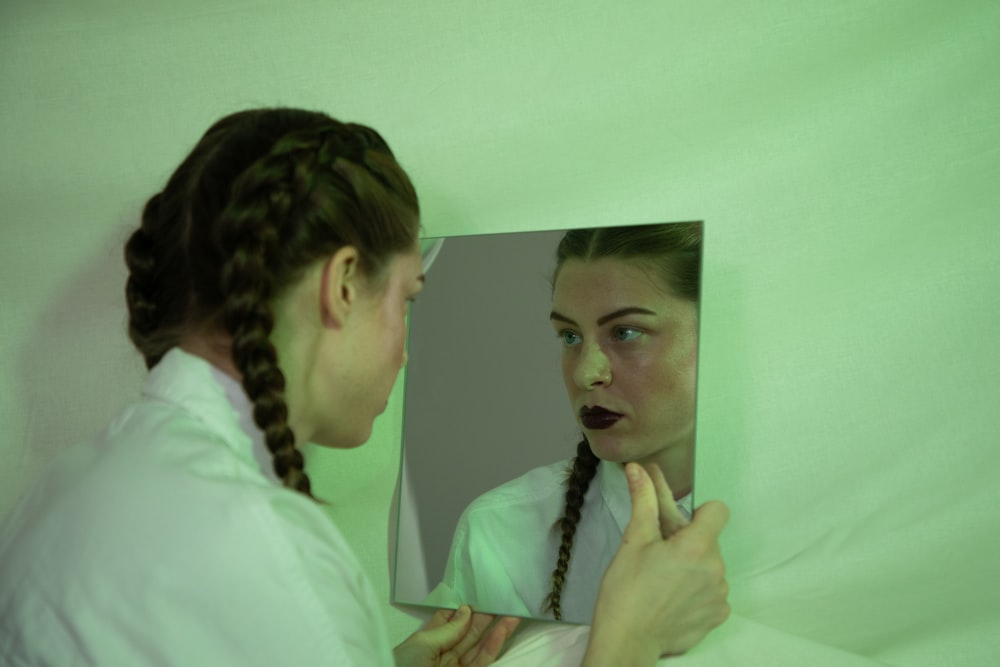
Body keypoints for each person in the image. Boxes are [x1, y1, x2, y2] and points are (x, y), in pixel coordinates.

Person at [0, 110, 727, 666]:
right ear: (343, 284)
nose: (408, 351)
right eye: (407, 300)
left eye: (627, 331)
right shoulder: (261, 550)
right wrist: (626, 642)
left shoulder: (62, 487)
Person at [431, 223, 707, 625]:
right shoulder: (500, 533)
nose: (585, 374)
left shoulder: (805, 522)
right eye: (570, 336)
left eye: (625, 332)